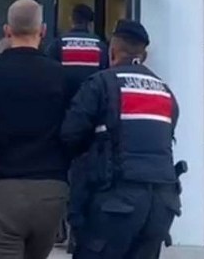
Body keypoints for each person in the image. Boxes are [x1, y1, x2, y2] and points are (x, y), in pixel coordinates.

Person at [0, 0, 71, 259]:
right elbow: (74, 129)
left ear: (7, 30)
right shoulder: (62, 77)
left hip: (2, 188)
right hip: (50, 189)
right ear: (42, 30)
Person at [61, 20, 181, 259]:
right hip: (161, 205)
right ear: (144, 56)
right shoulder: (165, 91)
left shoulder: (101, 84)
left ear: (113, 51)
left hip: (115, 204)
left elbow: (70, 135)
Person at [46, 4, 110, 251]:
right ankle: (78, 230)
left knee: (60, 174)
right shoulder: (101, 47)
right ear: (90, 23)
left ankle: (58, 227)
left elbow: (49, 79)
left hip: (62, 120)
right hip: (91, 123)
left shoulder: (58, 45)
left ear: (72, 20)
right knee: (86, 176)